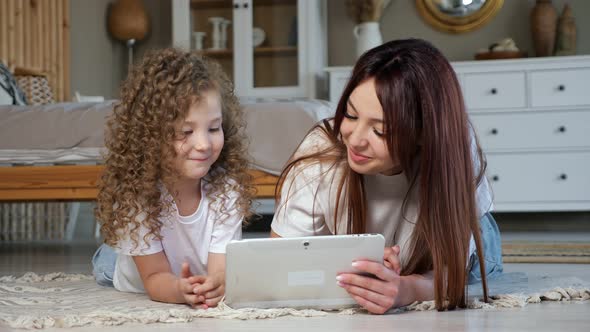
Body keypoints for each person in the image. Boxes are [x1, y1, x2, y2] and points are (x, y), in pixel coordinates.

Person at [271, 38, 502, 314]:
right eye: (350, 115)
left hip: (466, 244)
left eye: (381, 131)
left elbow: (451, 273)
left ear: (422, 134)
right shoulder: (321, 153)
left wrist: (407, 288)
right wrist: (352, 261)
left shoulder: (453, 150)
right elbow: (280, 262)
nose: (355, 140)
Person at [91, 48, 253, 309]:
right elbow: (154, 278)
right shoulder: (137, 197)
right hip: (136, 273)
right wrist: (179, 291)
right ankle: (110, 251)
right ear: (150, 136)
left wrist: (215, 285)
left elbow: (220, 270)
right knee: (107, 262)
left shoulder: (226, 190)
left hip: (185, 267)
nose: (203, 144)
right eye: (185, 131)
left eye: (213, 128)